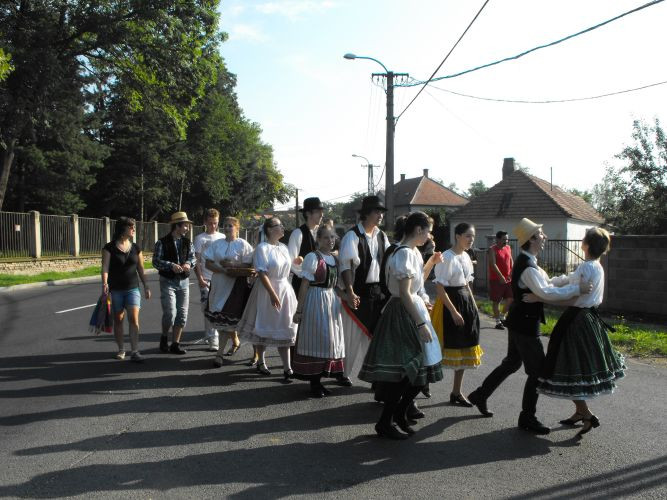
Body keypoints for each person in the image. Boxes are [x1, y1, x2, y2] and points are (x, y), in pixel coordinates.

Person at [467, 218, 592, 435]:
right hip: (525, 325)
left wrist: (571, 281)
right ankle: (527, 417)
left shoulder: (529, 262)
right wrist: (577, 289)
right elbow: (547, 293)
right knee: (537, 372)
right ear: (532, 239)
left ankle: (480, 394)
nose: (544, 237)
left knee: (511, 364)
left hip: (519, 321)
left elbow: (548, 283)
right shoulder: (528, 267)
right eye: (541, 234)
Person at [526, 227, 625, 438]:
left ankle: (587, 414)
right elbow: (568, 281)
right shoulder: (596, 266)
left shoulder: (586, 268)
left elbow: (569, 294)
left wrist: (540, 297)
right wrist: (548, 281)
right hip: (589, 318)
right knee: (573, 369)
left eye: (583, 239)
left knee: (569, 368)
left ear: (586, 245)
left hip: (577, 320)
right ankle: (580, 412)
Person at [359, 211, 444, 439]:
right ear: (418, 230)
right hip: (402, 312)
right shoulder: (404, 254)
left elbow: (416, 283)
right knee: (408, 371)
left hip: (410, 308)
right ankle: (387, 420)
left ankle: (397, 414)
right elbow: (405, 294)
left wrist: (431, 263)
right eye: (427, 231)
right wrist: (420, 324)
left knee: (420, 370)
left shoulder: (412, 252)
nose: (429, 236)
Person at [338, 195, 390, 386]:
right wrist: (350, 292)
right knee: (352, 337)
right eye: (377, 212)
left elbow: (389, 265)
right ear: (366, 214)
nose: (380, 216)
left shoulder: (382, 236)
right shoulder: (352, 236)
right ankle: (343, 373)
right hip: (358, 291)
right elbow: (346, 266)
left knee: (375, 338)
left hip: (378, 293)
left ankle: (375, 376)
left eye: (382, 212)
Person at [237, 217, 298, 382]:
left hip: (285, 289)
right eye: (279, 225)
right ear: (270, 229)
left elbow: (290, 267)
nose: (283, 227)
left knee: (285, 325)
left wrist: (297, 262)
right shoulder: (262, 248)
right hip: (266, 290)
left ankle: (287, 367)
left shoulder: (284, 248)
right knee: (263, 324)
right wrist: (272, 294)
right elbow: (262, 273)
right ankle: (261, 362)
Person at [431, 223, 482, 408]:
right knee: (438, 349)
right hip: (449, 305)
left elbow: (467, 284)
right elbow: (440, 288)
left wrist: (474, 306)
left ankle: (456, 392)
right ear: (458, 236)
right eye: (468, 236)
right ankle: (420, 385)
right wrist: (453, 312)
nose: (471, 239)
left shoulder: (466, 256)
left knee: (464, 347)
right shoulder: (446, 257)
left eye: (473, 236)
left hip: (465, 302)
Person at [292, 224, 346, 397]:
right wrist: (298, 311)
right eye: (326, 238)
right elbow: (305, 284)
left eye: (332, 237)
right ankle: (314, 382)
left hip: (331, 301)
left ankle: (320, 380)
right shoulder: (312, 257)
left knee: (329, 342)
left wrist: (348, 298)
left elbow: (336, 286)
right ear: (318, 239)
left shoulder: (335, 259)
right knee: (317, 339)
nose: (330, 241)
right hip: (315, 300)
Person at [204, 216, 254, 367]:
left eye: (230, 226)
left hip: (236, 286)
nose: (226, 228)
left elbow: (250, 265)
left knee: (228, 319)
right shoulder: (217, 244)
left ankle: (219, 355)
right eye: (225, 225)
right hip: (219, 283)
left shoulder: (243, 244)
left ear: (237, 228)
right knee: (223, 319)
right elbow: (208, 263)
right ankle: (235, 342)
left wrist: (234, 264)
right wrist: (222, 270)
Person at [101, 217, 151, 362]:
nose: (134, 230)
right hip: (116, 289)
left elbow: (141, 268)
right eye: (131, 227)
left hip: (132, 289)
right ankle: (121, 349)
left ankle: (135, 350)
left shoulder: (136, 248)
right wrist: (105, 283)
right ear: (123, 229)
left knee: (134, 319)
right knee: (118, 319)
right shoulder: (109, 248)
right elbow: (105, 267)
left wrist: (146, 285)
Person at [153, 211, 196, 355]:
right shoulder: (161, 242)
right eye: (185, 225)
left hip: (184, 281)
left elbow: (193, 257)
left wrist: (189, 263)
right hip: (168, 281)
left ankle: (175, 344)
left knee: (182, 314)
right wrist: (171, 265)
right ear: (177, 226)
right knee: (170, 313)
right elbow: (156, 261)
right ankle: (164, 337)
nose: (188, 228)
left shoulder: (187, 242)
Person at [194, 208, 225, 351]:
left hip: (220, 278)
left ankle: (212, 335)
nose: (213, 226)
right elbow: (197, 260)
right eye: (211, 223)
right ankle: (213, 338)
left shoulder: (222, 237)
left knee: (217, 308)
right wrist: (200, 278)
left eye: (216, 223)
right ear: (205, 222)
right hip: (206, 278)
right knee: (207, 307)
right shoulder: (201, 238)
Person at [288, 197, 324, 295]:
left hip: (321, 288)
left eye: (322, 211)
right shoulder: (298, 233)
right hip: (302, 286)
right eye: (317, 211)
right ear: (308, 213)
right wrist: (307, 276)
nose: (321, 215)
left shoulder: (323, 233)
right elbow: (291, 263)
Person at [488, 231, 513, 329]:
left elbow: (511, 260)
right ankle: (498, 322)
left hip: (508, 278)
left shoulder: (508, 248)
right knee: (497, 301)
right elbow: (493, 264)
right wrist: (500, 276)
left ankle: (503, 316)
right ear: (497, 239)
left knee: (511, 298)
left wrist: (511, 272)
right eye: (503, 239)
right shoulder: (492, 249)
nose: (506, 241)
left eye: (507, 239)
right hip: (496, 280)